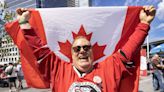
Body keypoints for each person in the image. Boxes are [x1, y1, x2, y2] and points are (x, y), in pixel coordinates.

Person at [6, 6, 156, 92]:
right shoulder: (59, 69)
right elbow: (39, 49)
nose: (82, 51)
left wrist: (144, 23)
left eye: (86, 47)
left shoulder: (110, 67)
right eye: (77, 49)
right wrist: (25, 23)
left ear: (92, 51)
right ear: (71, 54)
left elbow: (129, 49)